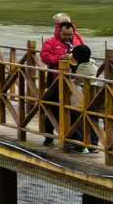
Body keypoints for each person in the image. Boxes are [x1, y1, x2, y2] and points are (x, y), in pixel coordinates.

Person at [40, 13, 96, 153]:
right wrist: (62, 58)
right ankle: (49, 135)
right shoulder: (50, 42)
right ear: (58, 29)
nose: (68, 37)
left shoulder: (77, 39)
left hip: (75, 81)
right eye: (65, 35)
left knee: (75, 111)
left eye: (70, 34)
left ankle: (80, 141)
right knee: (51, 106)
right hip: (56, 79)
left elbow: (85, 53)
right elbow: (45, 57)